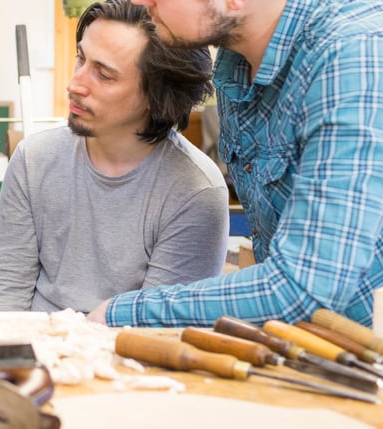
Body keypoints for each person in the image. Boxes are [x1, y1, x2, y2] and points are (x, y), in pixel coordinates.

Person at [89, 0, 383, 327]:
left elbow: (306, 289)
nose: (139, 3)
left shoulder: (355, 55)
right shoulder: (235, 66)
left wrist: (123, 313)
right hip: (314, 347)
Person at [0, 0, 228, 313]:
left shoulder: (196, 191)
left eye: (104, 75)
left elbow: (155, 331)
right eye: (81, 59)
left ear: (157, 97)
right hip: (29, 353)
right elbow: (3, 301)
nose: (75, 84)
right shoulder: (34, 159)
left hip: (127, 358)